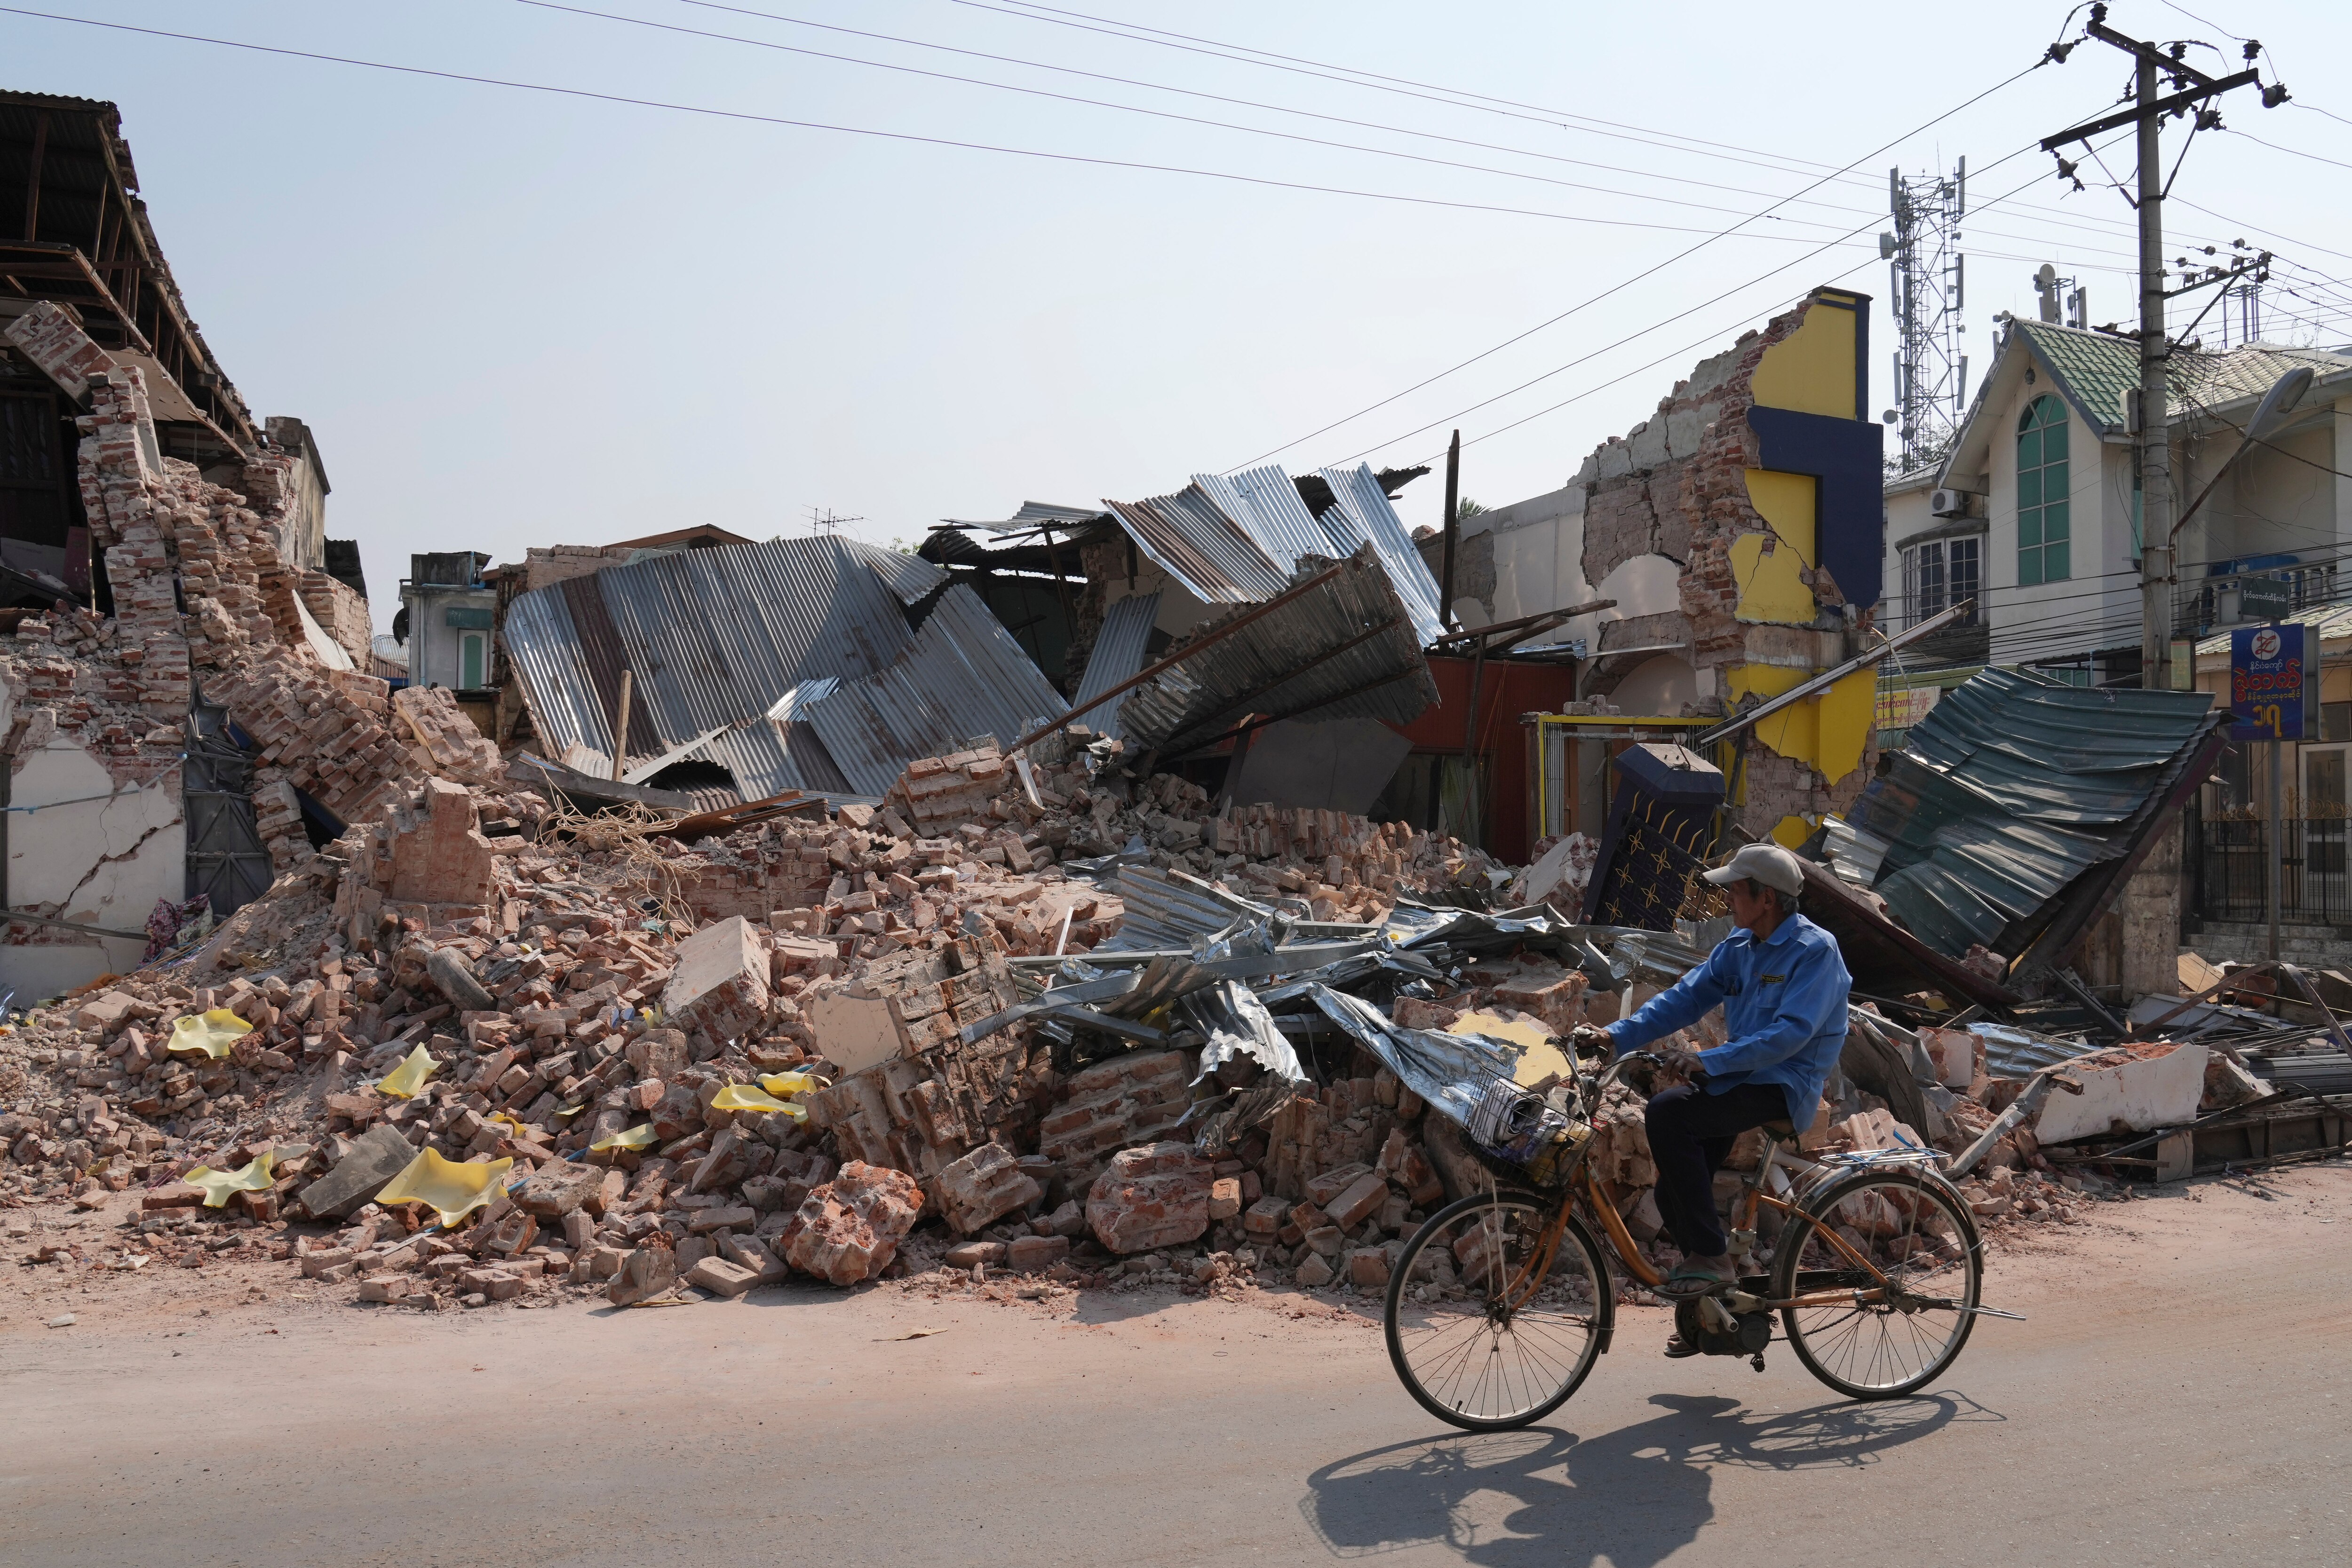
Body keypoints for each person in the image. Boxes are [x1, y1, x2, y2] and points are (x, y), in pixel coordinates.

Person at [1572, 841, 1851, 1325]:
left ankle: (1714, 1260)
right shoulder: (1738, 948)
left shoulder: (1814, 951)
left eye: (1736, 891)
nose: (1728, 901)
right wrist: (1612, 1036)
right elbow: (1682, 999)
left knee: (1667, 1111)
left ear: (1766, 898)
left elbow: (1790, 1034)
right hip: (1737, 1081)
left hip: (1783, 1084)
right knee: (1671, 1197)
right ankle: (1716, 1314)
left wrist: (1708, 1062)